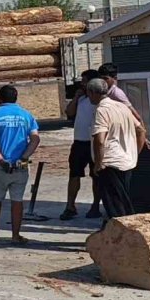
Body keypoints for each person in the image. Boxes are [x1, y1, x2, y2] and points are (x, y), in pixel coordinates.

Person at [0, 85, 41, 244]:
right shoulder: (26, 115)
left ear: (0, 98)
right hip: (20, 165)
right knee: (17, 200)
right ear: (16, 98)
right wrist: (24, 157)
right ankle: (15, 235)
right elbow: (35, 139)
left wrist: (0, 159)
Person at [88, 77, 147, 221]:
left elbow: (100, 140)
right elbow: (141, 130)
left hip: (110, 163)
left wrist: (98, 163)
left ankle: (124, 238)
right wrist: (134, 154)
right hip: (126, 162)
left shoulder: (102, 110)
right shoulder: (122, 107)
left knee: (116, 208)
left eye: (88, 93)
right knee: (123, 202)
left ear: (92, 93)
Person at [61, 70, 102, 220]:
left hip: (93, 142)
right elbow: (69, 112)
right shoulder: (83, 99)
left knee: (96, 175)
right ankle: (70, 206)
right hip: (79, 142)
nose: (82, 84)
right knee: (74, 174)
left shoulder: (99, 100)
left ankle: (96, 205)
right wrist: (77, 97)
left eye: (85, 81)